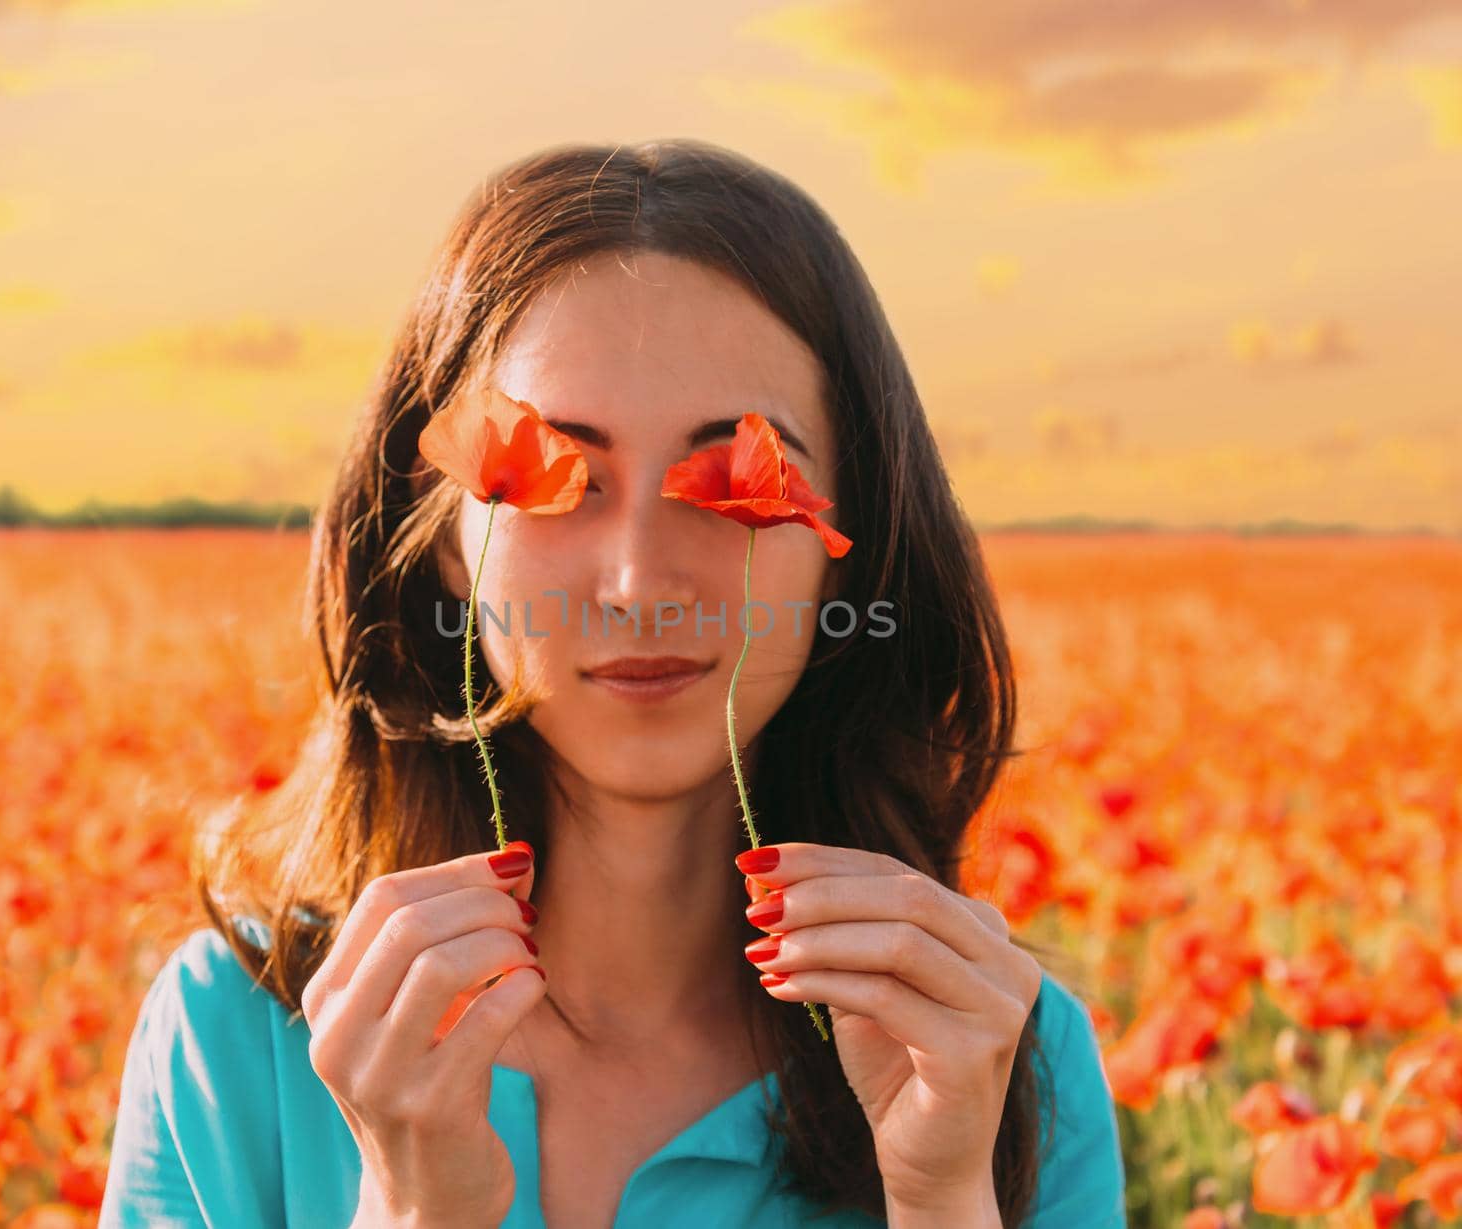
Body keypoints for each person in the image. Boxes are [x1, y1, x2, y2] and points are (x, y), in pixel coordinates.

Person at [99, 138, 1127, 1228]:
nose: (640, 583)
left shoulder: (990, 1050)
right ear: (447, 540)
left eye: (735, 479)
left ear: (851, 543)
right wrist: (413, 1209)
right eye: (559, 478)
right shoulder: (233, 1038)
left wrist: (941, 1198)